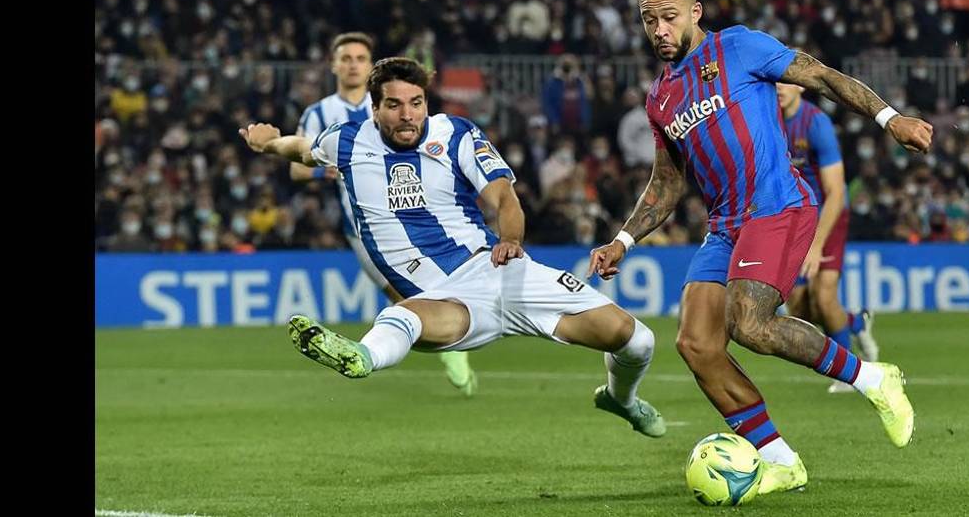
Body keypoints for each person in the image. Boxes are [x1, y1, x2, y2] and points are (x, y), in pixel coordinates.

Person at [590, 0, 933, 493]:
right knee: (697, 344)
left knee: (750, 323)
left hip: (777, 206)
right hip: (725, 225)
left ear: (695, 13)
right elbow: (667, 181)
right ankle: (781, 461)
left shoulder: (739, 47)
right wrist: (623, 240)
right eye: (649, 20)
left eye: (669, 17)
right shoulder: (660, 98)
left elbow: (819, 76)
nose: (659, 30)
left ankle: (873, 378)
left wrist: (890, 119)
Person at [241, 57, 666, 440]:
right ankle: (361, 357)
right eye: (394, 105)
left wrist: (510, 239)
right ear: (374, 109)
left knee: (637, 341)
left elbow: (504, 197)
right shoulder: (348, 141)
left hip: (499, 270)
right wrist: (268, 143)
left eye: (416, 103)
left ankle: (621, 399)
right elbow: (303, 149)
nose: (408, 115)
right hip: (444, 299)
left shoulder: (455, 134)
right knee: (403, 316)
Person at [291, 33, 477, 395]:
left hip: (419, 217)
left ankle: (451, 343)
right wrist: (324, 170)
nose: (353, 65)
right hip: (365, 230)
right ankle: (449, 347)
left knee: (436, 289)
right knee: (401, 293)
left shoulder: (392, 104)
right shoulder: (319, 114)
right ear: (334, 65)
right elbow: (297, 168)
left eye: (360, 58)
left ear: (370, 65)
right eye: (346, 58)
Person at [777, 81, 879, 393]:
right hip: (795, 220)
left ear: (800, 87)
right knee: (799, 308)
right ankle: (856, 322)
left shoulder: (816, 124)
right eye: (774, 81)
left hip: (828, 214)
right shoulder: (768, 118)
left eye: (785, 81)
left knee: (823, 296)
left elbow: (835, 192)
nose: (778, 87)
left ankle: (847, 374)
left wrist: (817, 244)